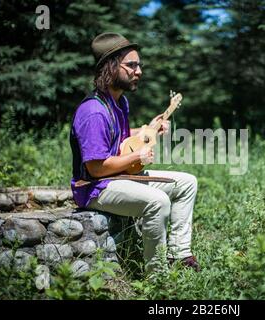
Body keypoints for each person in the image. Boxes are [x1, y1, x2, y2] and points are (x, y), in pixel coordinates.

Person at [69, 32, 199, 272]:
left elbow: (121, 137)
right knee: (157, 201)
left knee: (187, 182)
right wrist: (136, 157)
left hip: (117, 178)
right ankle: (157, 277)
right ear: (110, 67)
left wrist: (149, 129)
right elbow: (96, 168)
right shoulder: (93, 112)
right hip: (95, 188)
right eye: (131, 65)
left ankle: (179, 256)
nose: (139, 71)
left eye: (139, 64)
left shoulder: (119, 102)